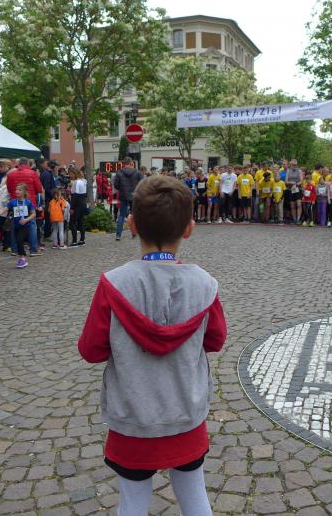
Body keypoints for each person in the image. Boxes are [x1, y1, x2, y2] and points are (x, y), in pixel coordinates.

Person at [78, 175, 226, 516]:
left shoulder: (113, 284)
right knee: (194, 495)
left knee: (132, 502)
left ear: (131, 224)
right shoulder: (205, 285)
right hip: (185, 412)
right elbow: (216, 340)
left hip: (134, 415)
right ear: (189, 229)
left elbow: (91, 350)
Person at [5, 158, 43, 256]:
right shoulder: (32, 173)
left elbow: (9, 188)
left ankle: (15, 249)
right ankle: (33, 250)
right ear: (27, 164)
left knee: (15, 226)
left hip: (15, 203)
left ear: (19, 164)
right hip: (29, 202)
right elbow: (39, 189)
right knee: (31, 227)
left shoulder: (11, 174)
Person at [0, 184, 34, 268]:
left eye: (19, 190)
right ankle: (21, 258)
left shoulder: (28, 202)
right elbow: (5, 209)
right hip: (15, 226)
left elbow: (33, 214)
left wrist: (26, 220)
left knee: (19, 239)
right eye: (16, 189)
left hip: (25, 225)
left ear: (24, 192)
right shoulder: (13, 202)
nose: (16, 191)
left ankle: (23, 258)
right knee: (17, 241)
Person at [114, 158, 144, 240]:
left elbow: (116, 185)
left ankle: (118, 235)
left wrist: (122, 189)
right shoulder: (137, 172)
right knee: (134, 215)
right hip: (134, 195)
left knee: (122, 215)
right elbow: (143, 183)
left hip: (123, 196)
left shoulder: (119, 172)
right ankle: (134, 233)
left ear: (123, 163)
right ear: (131, 163)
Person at [69, 169, 88, 246]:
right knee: (81, 221)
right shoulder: (83, 181)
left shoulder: (76, 182)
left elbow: (75, 196)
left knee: (72, 223)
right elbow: (85, 194)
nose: (70, 176)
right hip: (83, 203)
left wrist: (72, 208)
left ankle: (74, 241)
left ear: (75, 174)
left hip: (77, 204)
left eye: (71, 174)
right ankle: (82, 239)